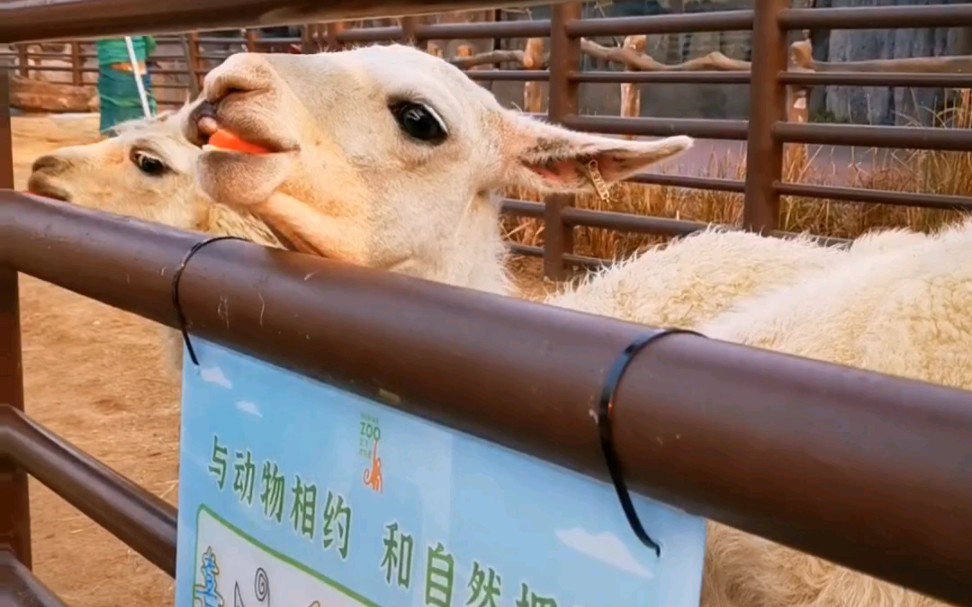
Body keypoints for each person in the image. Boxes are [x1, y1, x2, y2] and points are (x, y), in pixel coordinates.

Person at [94, 36, 158, 136]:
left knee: (124, 105)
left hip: (117, 57)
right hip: (127, 56)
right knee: (136, 103)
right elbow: (150, 42)